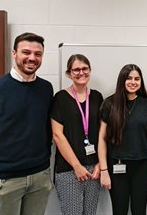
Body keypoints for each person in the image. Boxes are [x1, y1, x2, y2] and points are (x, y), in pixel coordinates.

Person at [0, 32, 54, 215]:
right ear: (14, 53)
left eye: (37, 54)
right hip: (4, 181)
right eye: (26, 52)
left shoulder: (46, 88)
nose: (32, 58)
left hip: (40, 177)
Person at [98, 64, 147, 215]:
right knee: (119, 211)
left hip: (143, 167)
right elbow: (102, 139)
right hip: (116, 165)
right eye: (129, 78)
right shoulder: (109, 104)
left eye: (137, 79)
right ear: (122, 80)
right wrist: (104, 170)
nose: (133, 82)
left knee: (140, 211)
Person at [50, 54, 103, 215]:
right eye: (76, 70)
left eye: (84, 69)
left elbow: (102, 133)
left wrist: (100, 163)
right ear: (69, 73)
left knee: (90, 213)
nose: (81, 73)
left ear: (90, 71)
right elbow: (57, 135)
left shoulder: (97, 97)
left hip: (94, 169)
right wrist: (77, 166)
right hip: (69, 170)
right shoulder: (60, 98)